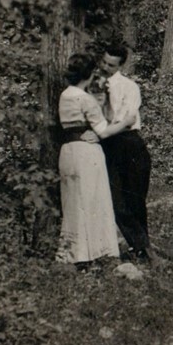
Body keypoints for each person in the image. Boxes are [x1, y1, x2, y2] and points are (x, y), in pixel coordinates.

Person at [57, 53, 121, 267]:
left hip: (68, 150)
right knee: (92, 200)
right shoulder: (85, 99)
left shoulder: (65, 95)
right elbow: (103, 129)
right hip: (86, 153)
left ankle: (73, 252)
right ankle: (94, 252)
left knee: (73, 201)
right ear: (89, 74)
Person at [97, 40, 152, 263]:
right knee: (115, 199)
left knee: (135, 198)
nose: (105, 67)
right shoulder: (93, 85)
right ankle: (140, 245)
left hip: (129, 143)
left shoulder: (129, 87)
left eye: (111, 65)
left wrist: (106, 129)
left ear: (120, 66)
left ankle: (143, 249)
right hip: (107, 144)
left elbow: (127, 119)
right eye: (104, 62)